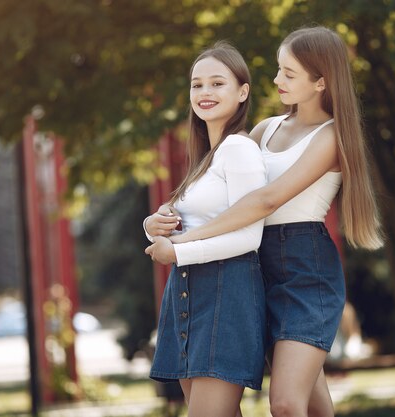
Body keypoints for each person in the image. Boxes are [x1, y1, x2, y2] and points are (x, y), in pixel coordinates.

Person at [146, 26, 383, 417]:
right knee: (314, 406)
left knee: (288, 404)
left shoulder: (331, 138)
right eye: (278, 70)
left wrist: (188, 243)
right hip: (254, 268)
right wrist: (165, 217)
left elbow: (266, 200)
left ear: (320, 81)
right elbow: (223, 186)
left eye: (289, 73)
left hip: (304, 271)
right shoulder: (264, 129)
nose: (276, 80)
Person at [145, 41, 268, 417]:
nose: (205, 93)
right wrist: (153, 226)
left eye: (217, 83)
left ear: (242, 91)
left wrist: (178, 251)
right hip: (186, 295)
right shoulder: (204, 159)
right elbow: (193, 224)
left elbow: (251, 236)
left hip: (226, 294)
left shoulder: (239, 149)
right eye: (197, 85)